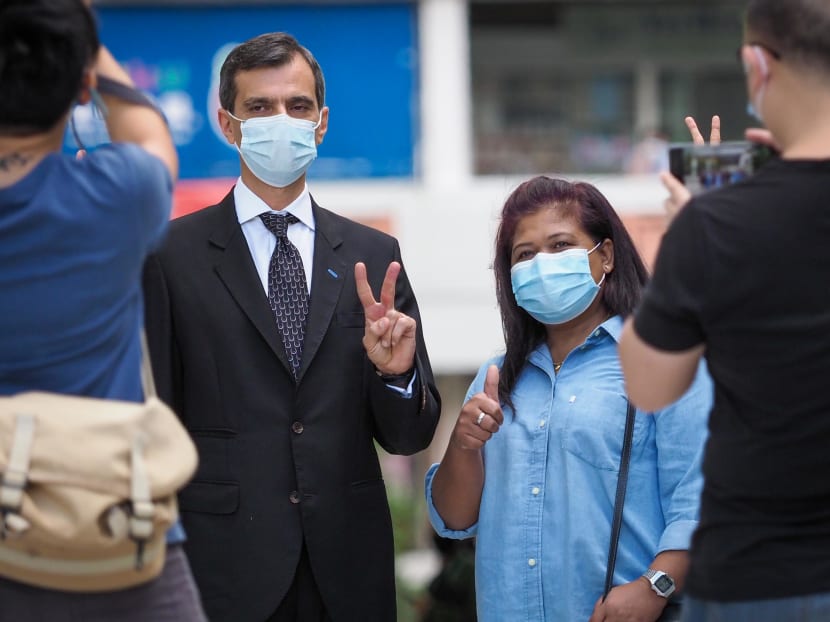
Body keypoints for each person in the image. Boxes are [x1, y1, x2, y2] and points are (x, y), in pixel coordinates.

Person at [142, 31, 441, 622]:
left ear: (321, 122)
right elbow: (157, 425)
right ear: (228, 125)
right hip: (222, 568)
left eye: (297, 106)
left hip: (347, 569)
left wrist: (397, 374)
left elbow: (409, 436)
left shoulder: (374, 253)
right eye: (259, 107)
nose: (281, 120)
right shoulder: (171, 256)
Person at [619, 0, 830, 619]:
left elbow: (649, 384)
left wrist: (695, 241)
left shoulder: (714, 227)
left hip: (762, 575)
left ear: (757, 64)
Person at [424, 176, 712, 621]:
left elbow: (698, 496)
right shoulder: (497, 376)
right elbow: (455, 519)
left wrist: (654, 588)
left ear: (607, 256)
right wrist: (463, 446)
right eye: (525, 254)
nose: (543, 263)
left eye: (560, 245)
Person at [0, 0, 206, 619]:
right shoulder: (120, 195)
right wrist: (79, 32)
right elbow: (147, 129)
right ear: (84, 83)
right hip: (121, 532)